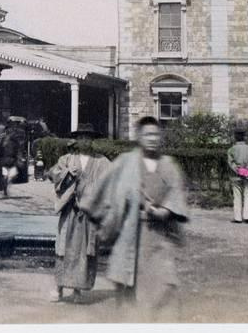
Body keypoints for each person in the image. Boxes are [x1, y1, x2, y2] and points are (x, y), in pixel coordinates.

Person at [80, 116, 189, 319]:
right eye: (147, 134)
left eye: (156, 134)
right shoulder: (126, 162)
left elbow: (176, 194)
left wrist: (163, 211)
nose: (152, 138)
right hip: (130, 233)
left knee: (164, 287)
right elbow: (101, 190)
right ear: (139, 136)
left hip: (159, 237)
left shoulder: (168, 165)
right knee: (130, 291)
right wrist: (108, 211)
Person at [47, 124, 110, 303]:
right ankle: (58, 288)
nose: (85, 141)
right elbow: (53, 174)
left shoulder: (102, 161)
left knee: (84, 251)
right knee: (63, 249)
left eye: (88, 138)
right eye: (81, 137)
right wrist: (67, 174)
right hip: (69, 210)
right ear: (77, 139)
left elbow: (110, 182)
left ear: (93, 140)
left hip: (88, 213)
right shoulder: (67, 159)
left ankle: (77, 289)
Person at [227, 128, 248, 224]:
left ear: (235, 137)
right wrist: (245, 170)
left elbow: (231, 163)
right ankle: (247, 217)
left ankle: (238, 218)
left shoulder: (231, 149)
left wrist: (239, 170)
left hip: (235, 175)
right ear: (244, 137)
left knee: (237, 196)